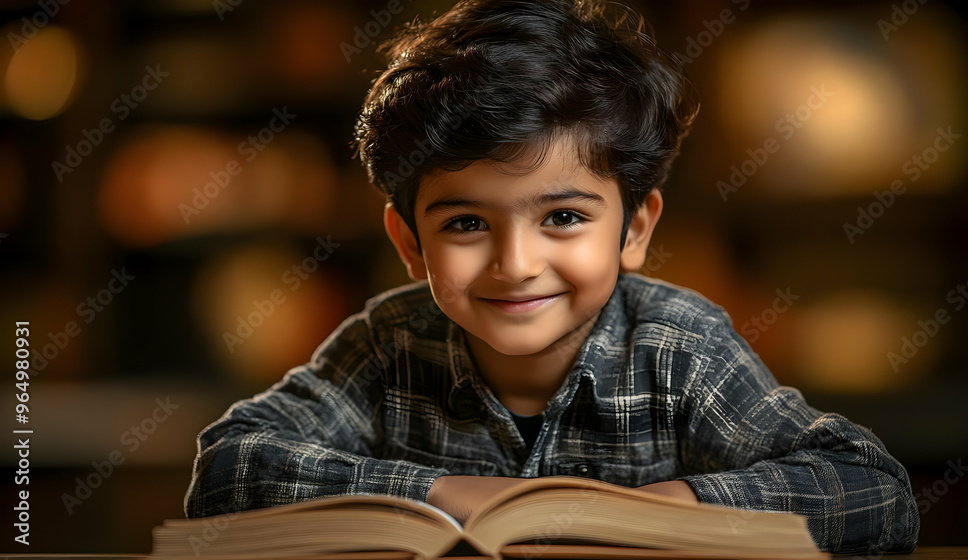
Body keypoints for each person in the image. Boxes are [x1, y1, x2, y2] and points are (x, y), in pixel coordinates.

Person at [184, 0, 919, 552]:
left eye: (563, 218)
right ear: (409, 244)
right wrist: (441, 496)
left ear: (633, 230)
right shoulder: (386, 346)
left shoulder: (677, 348)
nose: (516, 264)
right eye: (466, 224)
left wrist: (664, 513)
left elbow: (875, 493)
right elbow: (228, 472)